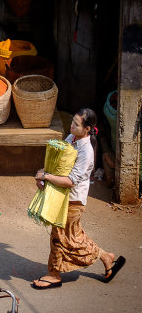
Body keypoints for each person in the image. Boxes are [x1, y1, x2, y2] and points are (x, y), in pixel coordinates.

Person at [32, 108, 126, 289]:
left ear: (87, 129)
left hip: (74, 200)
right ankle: (105, 257)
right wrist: (43, 173)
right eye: (73, 122)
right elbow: (59, 164)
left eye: (76, 124)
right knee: (68, 236)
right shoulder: (71, 139)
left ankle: (54, 274)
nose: (72, 126)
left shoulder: (86, 151)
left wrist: (47, 178)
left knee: (62, 236)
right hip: (62, 197)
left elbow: (70, 181)